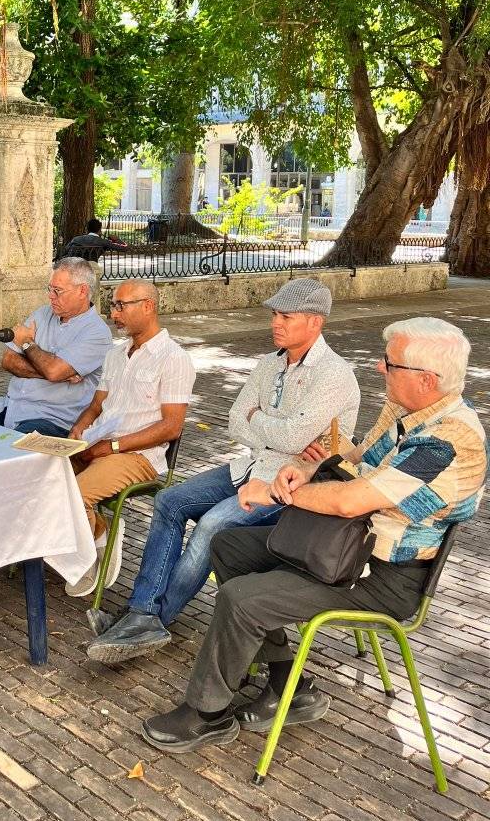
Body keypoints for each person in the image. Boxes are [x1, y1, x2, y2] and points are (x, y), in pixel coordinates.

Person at [140, 317, 486, 754]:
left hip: (383, 578)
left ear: (427, 379)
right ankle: (291, 684)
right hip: (345, 548)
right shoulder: (407, 411)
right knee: (227, 545)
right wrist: (306, 467)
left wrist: (275, 493)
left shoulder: (449, 441)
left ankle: (207, 714)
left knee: (243, 598)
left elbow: (351, 501)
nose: (380, 369)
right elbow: (358, 460)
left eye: (389, 363)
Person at [87, 277, 360, 661]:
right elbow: (235, 420)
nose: (274, 323)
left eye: (285, 316)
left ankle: (151, 620)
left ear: (315, 322)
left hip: (293, 485)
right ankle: (141, 612)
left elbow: (292, 436)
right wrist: (275, 429)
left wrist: (262, 421)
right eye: (274, 315)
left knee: (213, 525)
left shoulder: (334, 374)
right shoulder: (269, 363)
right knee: (170, 501)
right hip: (250, 466)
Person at [63, 280, 196, 598]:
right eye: (113, 306)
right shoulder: (116, 355)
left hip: (139, 456)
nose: (114, 313)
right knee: (44, 477)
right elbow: (96, 406)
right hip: (98, 445)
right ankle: (99, 530)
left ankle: (92, 551)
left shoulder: (173, 358)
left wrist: (112, 447)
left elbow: (171, 427)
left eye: (122, 306)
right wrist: (77, 433)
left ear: (148, 306)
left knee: (75, 496)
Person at [0, 257, 112, 437]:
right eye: (49, 289)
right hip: (8, 408)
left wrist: (27, 343)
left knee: (11, 453)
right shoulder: (43, 314)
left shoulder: (97, 332)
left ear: (82, 291)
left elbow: (53, 371)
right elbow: (8, 360)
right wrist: (57, 374)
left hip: (52, 420)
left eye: (57, 291)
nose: (51, 296)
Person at [60, 218, 126, 263]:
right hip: (90, 267)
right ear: (100, 230)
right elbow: (125, 248)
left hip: (73, 265)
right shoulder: (103, 242)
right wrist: (117, 239)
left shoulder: (76, 239)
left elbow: (65, 251)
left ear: (87, 229)